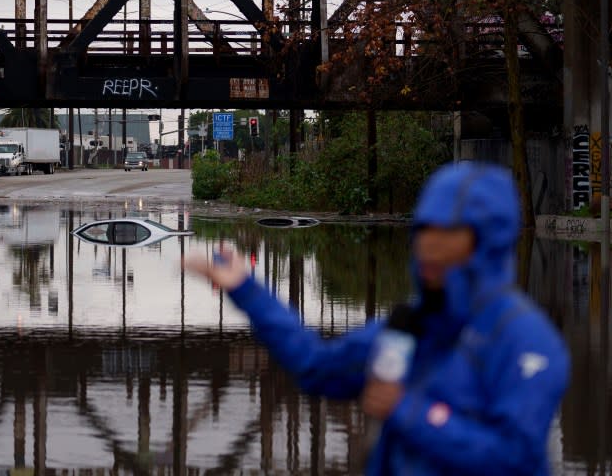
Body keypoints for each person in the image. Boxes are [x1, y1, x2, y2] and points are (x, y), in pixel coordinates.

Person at [184, 162, 569, 475]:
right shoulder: (408, 329)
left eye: (448, 234)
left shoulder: (526, 341)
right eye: (424, 232)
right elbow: (317, 368)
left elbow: (513, 457)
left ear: (486, 243)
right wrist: (249, 292)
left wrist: (410, 410)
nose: (430, 248)